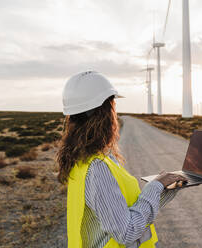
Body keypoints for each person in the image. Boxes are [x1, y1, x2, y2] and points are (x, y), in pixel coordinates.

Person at [56, 71, 188, 248]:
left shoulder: (83, 160)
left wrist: (163, 188)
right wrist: (155, 186)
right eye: (113, 106)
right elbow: (127, 232)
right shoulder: (97, 169)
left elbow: (126, 211)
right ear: (105, 114)